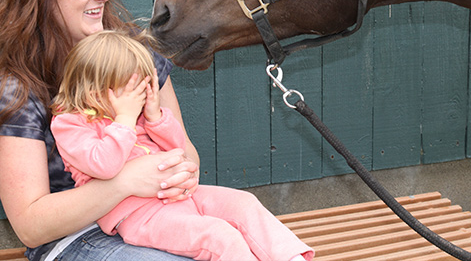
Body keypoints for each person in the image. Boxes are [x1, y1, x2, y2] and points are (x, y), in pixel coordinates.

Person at [0, 0, 200, 261]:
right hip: (78, 238)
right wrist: (123, 183)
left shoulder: (135, 54)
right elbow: (31, 225)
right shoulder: (18, 86)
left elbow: (188, 156)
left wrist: (178, 175)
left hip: (160, 212)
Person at [51, 30, 314, 261]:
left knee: (244, 204)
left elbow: (181, 153)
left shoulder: (135, 115)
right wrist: (125, 119)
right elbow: (104, 166)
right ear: (95, 92)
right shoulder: (70, 124)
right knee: (219, 236)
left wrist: (155, 118)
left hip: (180, 197)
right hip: (139, 216)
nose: (141, 99)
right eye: (132, 92)